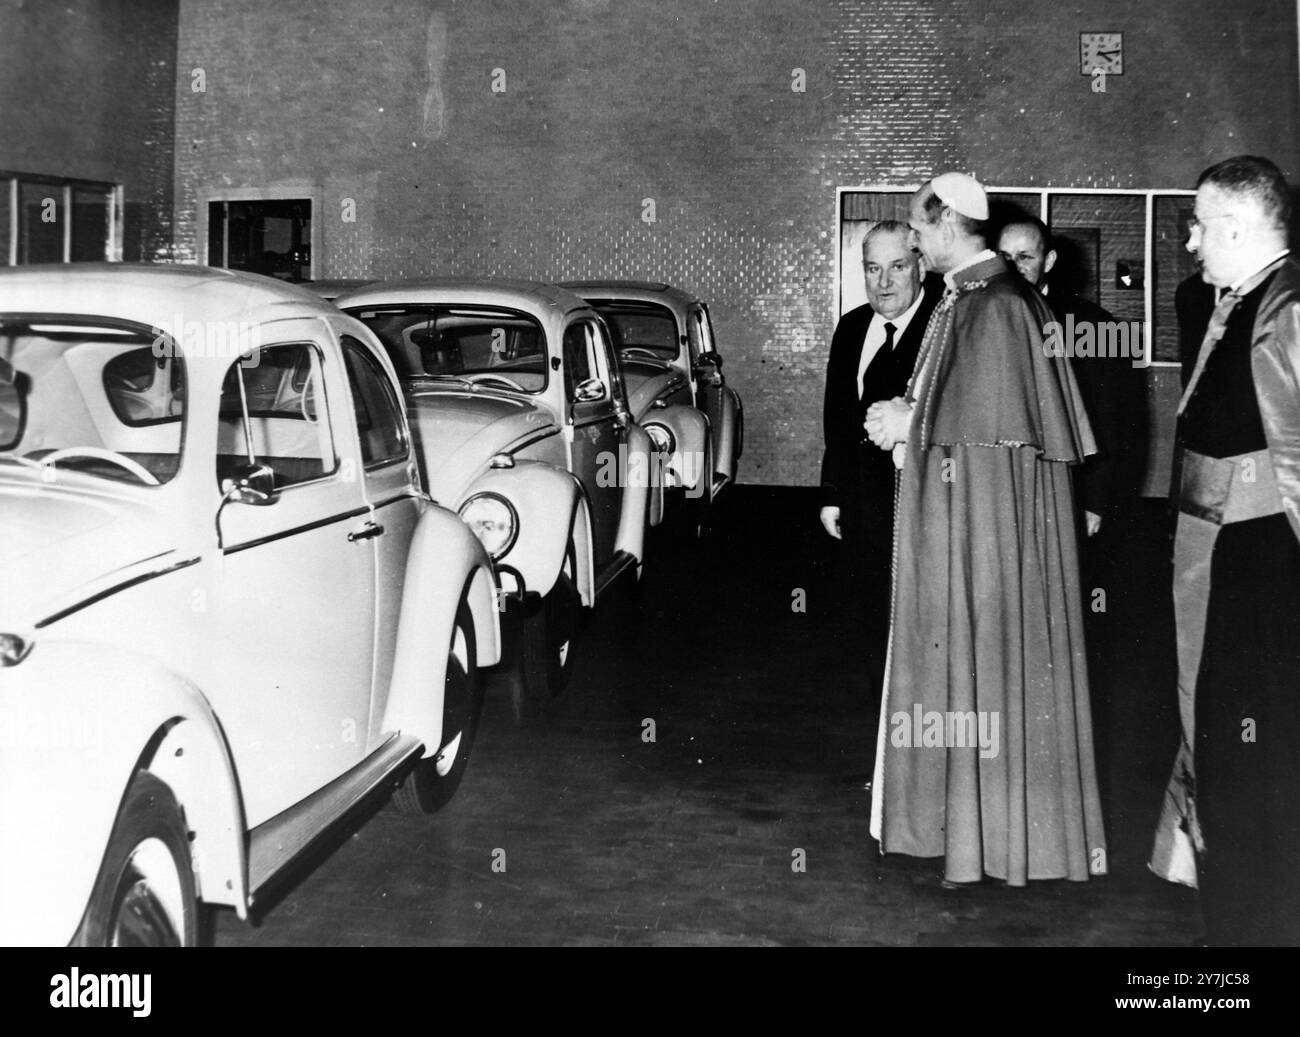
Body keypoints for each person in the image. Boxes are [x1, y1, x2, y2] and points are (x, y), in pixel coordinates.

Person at [865, 172, 1106, 886]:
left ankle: (996, 840)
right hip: (962, 518)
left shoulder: (997, 305)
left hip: (992, 532)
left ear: (946, 227)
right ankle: (958, 825)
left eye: (916, 225)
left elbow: (994, 435)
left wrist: (911, 422)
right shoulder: (971, 296)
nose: (911, 237)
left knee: (993, 659)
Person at [1149, 155, 1300, 946]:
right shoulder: (1237, 303)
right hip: (1216, 552)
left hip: (1259, 568)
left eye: (1202, 227)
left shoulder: (1290, 308)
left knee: (1247, 748)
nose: (1194, 243)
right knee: (1214, 731)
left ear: (1238, 227)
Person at [820, 221, 941, 692]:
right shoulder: (851, 328)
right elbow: (837, 420)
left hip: (920, 507)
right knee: (869, 624)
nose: (884, 283)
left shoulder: (942, 329)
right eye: (873, 269)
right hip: (862, 509)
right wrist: (832, 493)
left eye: (897, 268)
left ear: (921, 268)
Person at [997, 217, 1148, 540]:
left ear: (1048, 261)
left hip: (1068, 490)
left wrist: (1094, 502)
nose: (1013, 267)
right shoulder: (985, 317)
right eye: (1005, 258)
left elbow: (1112, 420)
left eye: (1025, 257)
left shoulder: (1094, 324)